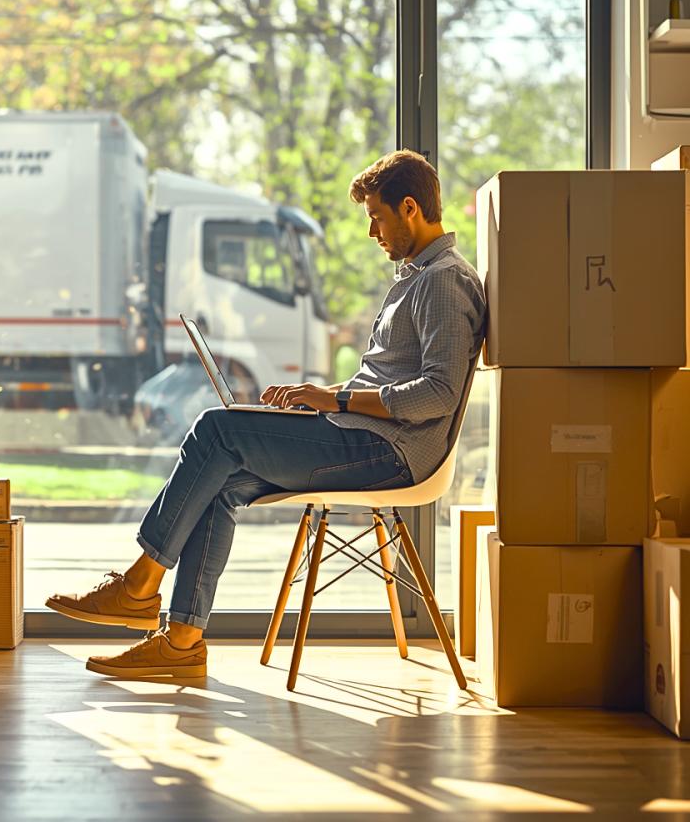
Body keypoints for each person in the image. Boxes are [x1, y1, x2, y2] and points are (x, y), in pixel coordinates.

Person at [46, 149, 486, 680]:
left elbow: (437, 394)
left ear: (410, 207)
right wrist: (322, 394)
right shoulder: (417, 275)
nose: (373, 232)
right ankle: (182, 643)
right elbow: (390, 379)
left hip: (390, 453)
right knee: (221, 476)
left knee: (215, 429)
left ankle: (139, 585)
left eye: (377, 216)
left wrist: (338, 401)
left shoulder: (443, 280)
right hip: (362, 434)